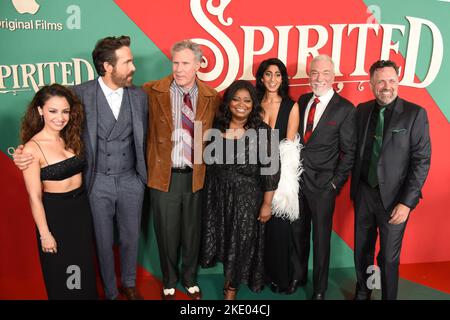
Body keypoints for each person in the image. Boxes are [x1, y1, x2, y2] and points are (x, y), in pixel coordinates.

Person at [13, 36, 148, 300]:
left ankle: (128, 284)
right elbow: (50, 120)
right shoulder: (79, 94)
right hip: (96, 181)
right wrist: (22, 153)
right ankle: (110, 291)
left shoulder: (140, 95)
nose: (133, 67)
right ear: (107, 66)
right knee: (102, 241)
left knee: (131, 237)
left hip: (131, 178)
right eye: (128, 62)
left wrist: (142, 179)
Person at [142, 40, 221, 300]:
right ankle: (169, 280)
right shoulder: (152, 91)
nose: (179, 68)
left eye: (185, 63)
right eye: (175, 62)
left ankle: (189, 279)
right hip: (164, 176)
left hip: (195, 176)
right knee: (166, 233)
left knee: (192, 232)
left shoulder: (212, 96)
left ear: (198, 65)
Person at [351, 60, 431, 300]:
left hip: (396, 199)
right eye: (381, 81)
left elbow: (421, 161)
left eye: (391, 80)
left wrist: (407, 203)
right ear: (371, 84)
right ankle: (364, 292)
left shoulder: (415, 114)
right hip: (365, 192)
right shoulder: (362, 110)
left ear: (398, 81)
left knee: (388, 257)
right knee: (362, 251)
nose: (387, 86)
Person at [200, 80, 280, 300]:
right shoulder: (217, 125)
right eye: (236, 99)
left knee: (241, 242)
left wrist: (266, 203)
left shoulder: (263, 131)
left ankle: (231, 289)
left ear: (254, 104)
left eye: (247, 100)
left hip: (247, 196)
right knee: (223, 240)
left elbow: (271, 170)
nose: (241, 104)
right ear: (228, 102)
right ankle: (228, 280)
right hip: (216, 195)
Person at [20, 83, 98, 299]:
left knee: (82, 267)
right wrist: (45, 235)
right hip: (56, 216)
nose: (60, 117)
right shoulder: (31, 148)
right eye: (53, 111)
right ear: (40, 111)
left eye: (65, 111)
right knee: (64, 271)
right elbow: (35, 197)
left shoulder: (71, 136)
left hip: (81, 210)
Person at [297, 54, 356, 300]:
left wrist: (335, 184)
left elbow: (350, 151)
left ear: (333, 77)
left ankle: (319, 289)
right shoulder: (302, 101)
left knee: (321, 240)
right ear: (309, 75)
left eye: (324, 73)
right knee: (298, 234)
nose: (318, 78)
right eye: (314, 73)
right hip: (297, 182)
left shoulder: (345, 109)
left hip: (324, 186)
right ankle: (298, 276)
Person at [255, 58, 302, 294]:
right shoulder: (252, 103)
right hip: (253, 175)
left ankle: (280, 278)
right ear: (261, 78)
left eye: (277, 74)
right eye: (268, 74)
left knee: (278, 231)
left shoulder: (291, 106)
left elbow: (290, 148)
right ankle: (258, 276)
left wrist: (277, 185)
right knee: (256, 231)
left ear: (283, 79)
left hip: (280, 178)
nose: (273, 79)